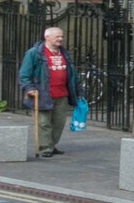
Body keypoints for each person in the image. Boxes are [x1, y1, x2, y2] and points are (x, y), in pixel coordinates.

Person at [17, 25, 86, 158]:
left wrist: (78, 91)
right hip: (43, 94)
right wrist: (29, 88)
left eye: (62, 36)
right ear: (47, 37)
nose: (60, 39)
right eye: (57, 36)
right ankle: (45, 148)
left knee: (59, 123)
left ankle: (51, 144)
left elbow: (72, 74)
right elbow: (24, 74)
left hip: (62, 94)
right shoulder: (34, 53)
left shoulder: (64, 53)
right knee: (43, 123)